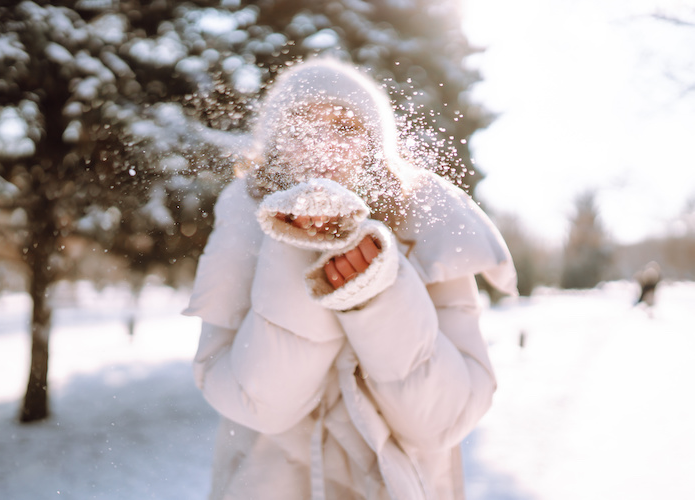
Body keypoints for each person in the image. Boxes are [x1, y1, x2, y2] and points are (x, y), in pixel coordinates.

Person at [183, 58, 517, 500]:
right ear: (276, 144)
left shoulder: (425, 228)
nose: (322, 145)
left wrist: (378, 292)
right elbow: (257, 403)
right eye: (302, 127)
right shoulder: (243, 226)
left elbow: (443, 420)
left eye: (343, 127)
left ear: (374, 145)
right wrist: (294, 243)